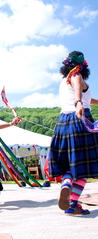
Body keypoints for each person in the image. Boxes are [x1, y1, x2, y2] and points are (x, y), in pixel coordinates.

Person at [48, 51, 98, 215]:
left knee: (71, 164)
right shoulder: (77, 75)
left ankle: (67, 183)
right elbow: (78, 91)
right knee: (85, 166)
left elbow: (86, 97)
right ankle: (73, 203)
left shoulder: (64, 81)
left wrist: (82, 101)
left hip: (63, 122)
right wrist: (78, 103)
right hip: (80, 119)